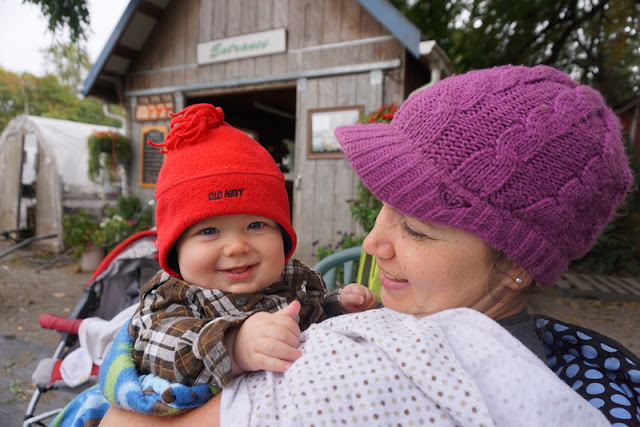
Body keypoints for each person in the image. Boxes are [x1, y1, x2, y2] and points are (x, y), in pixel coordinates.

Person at [97, 64, 635, 426]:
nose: (374, 243)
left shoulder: (362, 373)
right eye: (382, 207)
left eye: (416, 228)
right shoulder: (544, 358)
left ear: (519, 263)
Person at [128, 103, 379, 391]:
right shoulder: (173, 296)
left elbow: (313, 314)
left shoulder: (295, 278)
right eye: (209, 231)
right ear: (175, 248)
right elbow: (154, 347)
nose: (236, 247)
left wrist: (337, 305)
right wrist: (234, 346)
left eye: (256, 225)